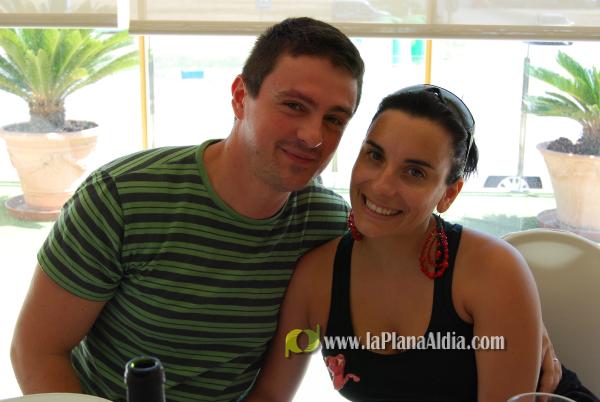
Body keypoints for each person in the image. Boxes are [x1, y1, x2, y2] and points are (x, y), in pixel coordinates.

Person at [10, 18, 561, 402]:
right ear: (240, 96)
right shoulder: (123, 198)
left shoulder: (328, 225)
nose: (312, 135)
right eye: (294, 105)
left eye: (334, 119)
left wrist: (518, 319)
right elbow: (36, 350)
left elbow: (429, 244)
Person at [244, 85, 597, 402]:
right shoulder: (316, 276)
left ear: (449, 194)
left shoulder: (492, 270)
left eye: (414, 172)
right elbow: (272, 394)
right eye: (375, 155)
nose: (381, 185)